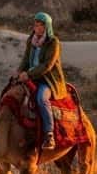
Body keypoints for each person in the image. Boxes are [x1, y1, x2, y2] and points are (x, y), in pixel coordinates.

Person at [17, 12, 66, 150]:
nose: (37, 28)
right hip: (32, 77)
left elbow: (47, 65)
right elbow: (26, 60)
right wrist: (19, 71)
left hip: (48, 80)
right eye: (36, 25)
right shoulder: (31, 40)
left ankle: (49, 134)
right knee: (14, 94)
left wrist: (28, 74)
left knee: (41, 99)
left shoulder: (53, 42)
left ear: (47, 27)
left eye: (40, 25)